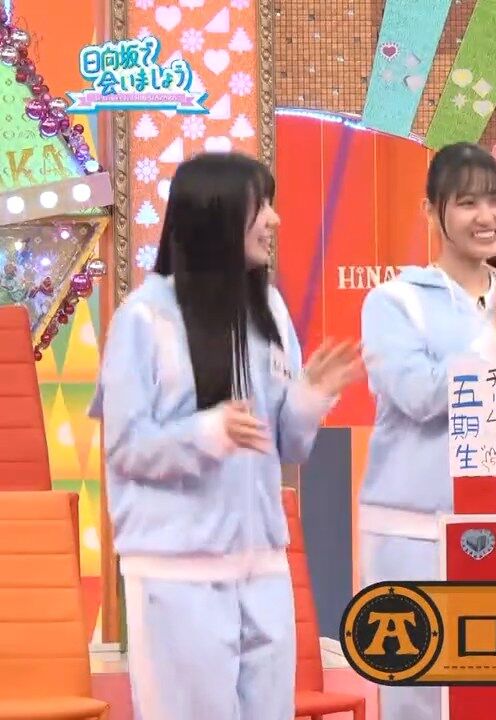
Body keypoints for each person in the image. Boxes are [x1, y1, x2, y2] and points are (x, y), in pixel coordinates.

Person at [89, 152, 362, 719]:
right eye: (261, 207)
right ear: (217, 214)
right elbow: (127, 449)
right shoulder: (144, 318)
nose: (275, 220)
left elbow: (289, 447)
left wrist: (310, 396)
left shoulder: (269, 308)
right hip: (176, 569)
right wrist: (209, 432)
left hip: (263, 564)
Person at [357, 142, 496, 720]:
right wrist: (495, 340)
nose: (487, 217)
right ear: (431, 211)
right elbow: (419, 395)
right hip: (416, 537)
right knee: (418, 699)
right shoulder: (395, 303)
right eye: (467, 203)